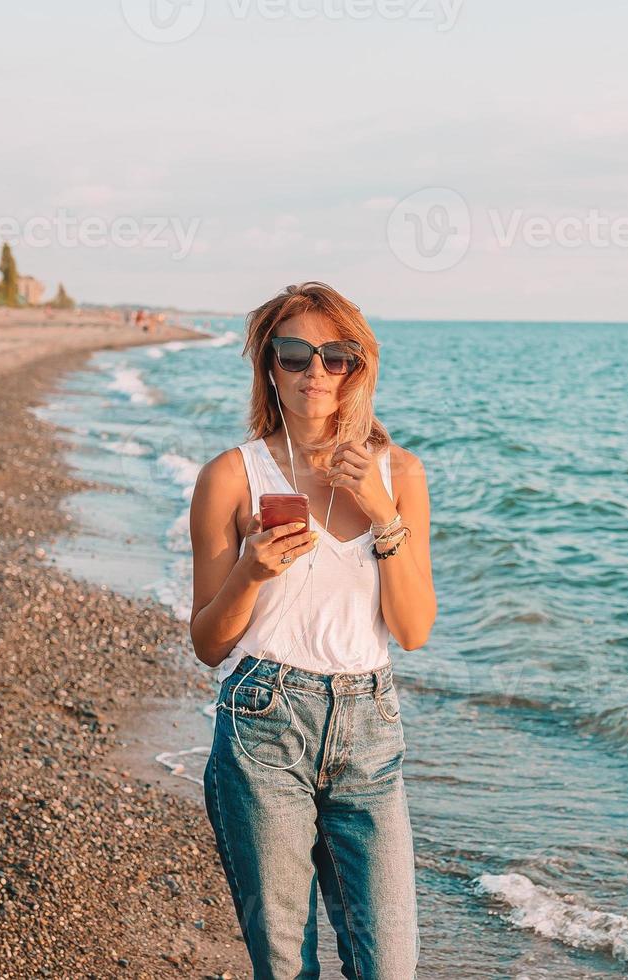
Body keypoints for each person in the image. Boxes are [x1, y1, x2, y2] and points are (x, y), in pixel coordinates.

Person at [188, 281, 435, 977]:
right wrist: (250, 574)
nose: (315, 373)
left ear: (359, 367)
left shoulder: (400, 474)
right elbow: (208, 645)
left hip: (370, 726)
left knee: (387, 965)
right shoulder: (231, 479)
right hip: (261, 722)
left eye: (335, 356)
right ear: (269, 365)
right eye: (294, 355)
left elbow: (413, 631)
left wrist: (384, 515)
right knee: (286, 966)